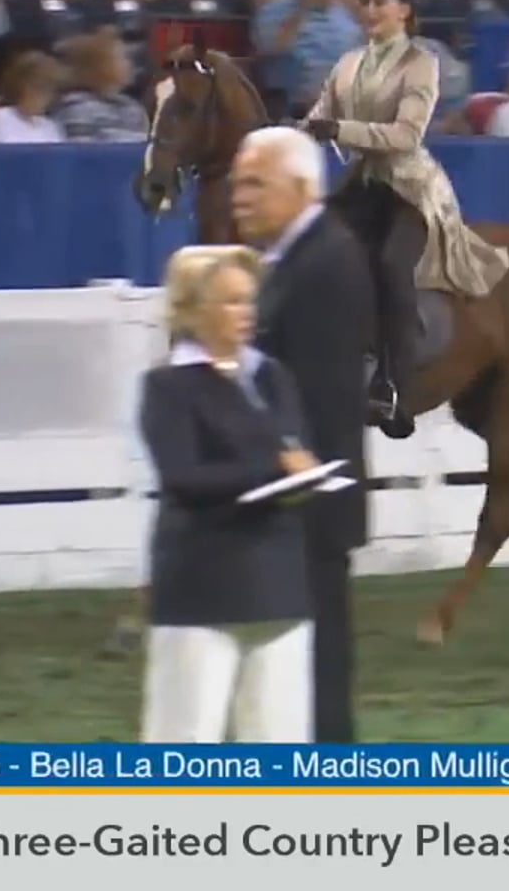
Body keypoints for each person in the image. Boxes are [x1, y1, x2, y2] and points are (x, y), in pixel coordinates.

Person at [300, 0, 509, 437]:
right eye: (367, 2)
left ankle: (393, 386)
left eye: (381, 1)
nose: (371, 10)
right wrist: (290, 137)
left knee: (394, 265)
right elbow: (318, 117)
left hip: (409, 189)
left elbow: (405, 135)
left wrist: (340, 130)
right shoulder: (348, 63)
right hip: (363, 184)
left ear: (404, 10)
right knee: (310, 247)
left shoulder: (421, 63)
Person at [139, 246, 319, 743]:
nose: (247, 313)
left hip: (278, 584)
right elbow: (183, 477)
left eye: (249, 300)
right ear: (193, 311)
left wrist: (302, 479)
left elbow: (295, 451)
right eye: (232, 301)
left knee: (281, 743)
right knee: (185, 740)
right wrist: (273, 470)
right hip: (202, 589)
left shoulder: (272, 377)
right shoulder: (169, 387)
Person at [230, 126, 375, 743]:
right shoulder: (292, 259)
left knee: (315, 673)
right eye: (237, 184)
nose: (239, 197)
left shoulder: (325, 263)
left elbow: (315, 400)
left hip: (304, 506)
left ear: (301, 187)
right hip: (293, 501)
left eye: (254, 184)